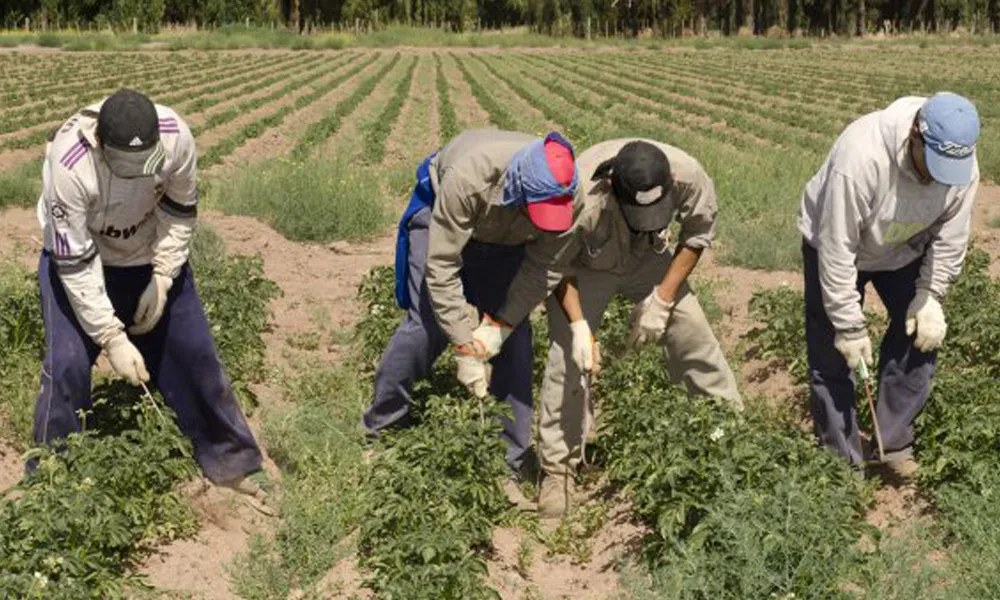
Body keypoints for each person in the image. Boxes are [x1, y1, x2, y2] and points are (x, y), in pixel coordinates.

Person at [477, 139, 742, 518]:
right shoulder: (583, 194)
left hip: (649, 257)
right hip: (586, 266)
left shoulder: (689, 176)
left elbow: (696, 236)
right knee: (567, 354)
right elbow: (552, 266)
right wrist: (580, 325)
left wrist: (663, 299)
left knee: (694, 335)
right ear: (617, 192)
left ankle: (733, 436)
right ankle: (558, 470)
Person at [33, 88, 265, 496]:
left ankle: (232, 461)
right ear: (101, 146)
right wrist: (111, 338)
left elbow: (180, 213)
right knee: (66, 364)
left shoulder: (176, 137)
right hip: (83, 260)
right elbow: (76, 264)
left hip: (146, 251)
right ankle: (53, 484)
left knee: (195, 352)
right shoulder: (69, 163)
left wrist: (162, 276)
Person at [363, 129, 578, 479]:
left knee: (517, 338)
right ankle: (382, 429)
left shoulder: (566, 192)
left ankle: (511, 459)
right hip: (443, 215)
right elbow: (443, 265)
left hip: (509, 240)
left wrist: (501, 324)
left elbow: (544, 266)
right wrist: (464, 346)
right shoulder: (470, 178)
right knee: (427, 325)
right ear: (519, 185)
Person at [798, 92, 980, 472]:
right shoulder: (861, 156)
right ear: (915, 134)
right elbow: (837, 247)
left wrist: (929, 295)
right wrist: (848, 326)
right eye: (932, 164)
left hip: (902, 246)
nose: (935, 176)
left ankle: (893, 443)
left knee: (920, 335)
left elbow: (951, 236)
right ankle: (840, 463)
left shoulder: (961, 164)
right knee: (833, 350)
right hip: (836, 243)